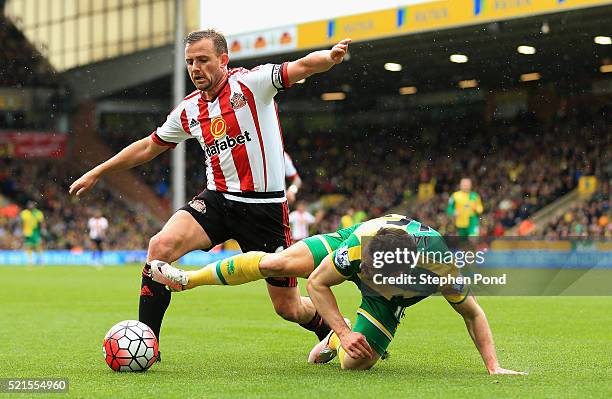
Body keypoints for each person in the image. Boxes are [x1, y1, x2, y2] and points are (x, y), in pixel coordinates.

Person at [69, 28, 352, 350]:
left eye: (203, 60)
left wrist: (328, 58)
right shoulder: (188, 110)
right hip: (217, 200)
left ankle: (330, 332)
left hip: (265, 209)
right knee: (159, 247)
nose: (195, 68)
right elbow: (149, 147)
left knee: (287, 307)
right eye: (190, 61)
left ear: (223, 60)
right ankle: (147, 344)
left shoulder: (251, 84)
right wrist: (98, 170)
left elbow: (302, 66)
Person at [151, 214, 525, 374]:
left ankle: (334, 332)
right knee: (279, 265)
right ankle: (190, 278)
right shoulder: (359, 248)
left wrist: (493, 366)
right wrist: (347, 334)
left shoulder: (440, 267)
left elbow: (473, 313)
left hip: (386, 305)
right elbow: (317, 283)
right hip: (353, 236)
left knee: (354, 365)